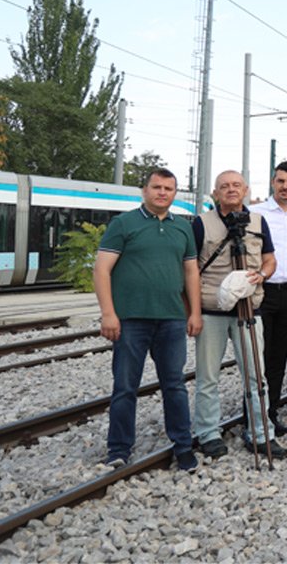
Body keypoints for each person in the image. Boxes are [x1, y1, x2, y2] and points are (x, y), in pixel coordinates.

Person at [95, 168, 202, 471]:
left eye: (169, 188)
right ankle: (118, 449)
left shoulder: (183, 227)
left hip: (171, 320)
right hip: (130, 321)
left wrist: (194, 312)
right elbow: (101, 269)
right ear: (144, 190)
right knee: (125, 387)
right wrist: (108, 313)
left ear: (174, 193)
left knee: (175, 385)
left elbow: (191, 272)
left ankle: (183, 446)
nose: (162, 193)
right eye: (157, 187)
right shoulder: (123, 224)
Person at [191, 170, 287, 459]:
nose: (231, 190)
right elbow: (190, 270)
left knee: (256, 377)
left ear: (245, 189)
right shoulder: (201, 224)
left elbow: (270, 259)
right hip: (212, 311)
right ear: (215, 193)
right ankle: (208, 432)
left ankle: (261, 433)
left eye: (236, 185)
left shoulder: (258, 221)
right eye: (224, 186)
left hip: (250, 307)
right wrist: (192, 312)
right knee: (208, 377)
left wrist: (263, 274)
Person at [248, 160, 287, 437]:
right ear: (273, 182)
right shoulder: (255, 213)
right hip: (262, 291)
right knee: (258, 356)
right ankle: (254, 417)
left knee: (279, 356)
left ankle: (271, 415)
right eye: (281, 181)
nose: (285, 186)